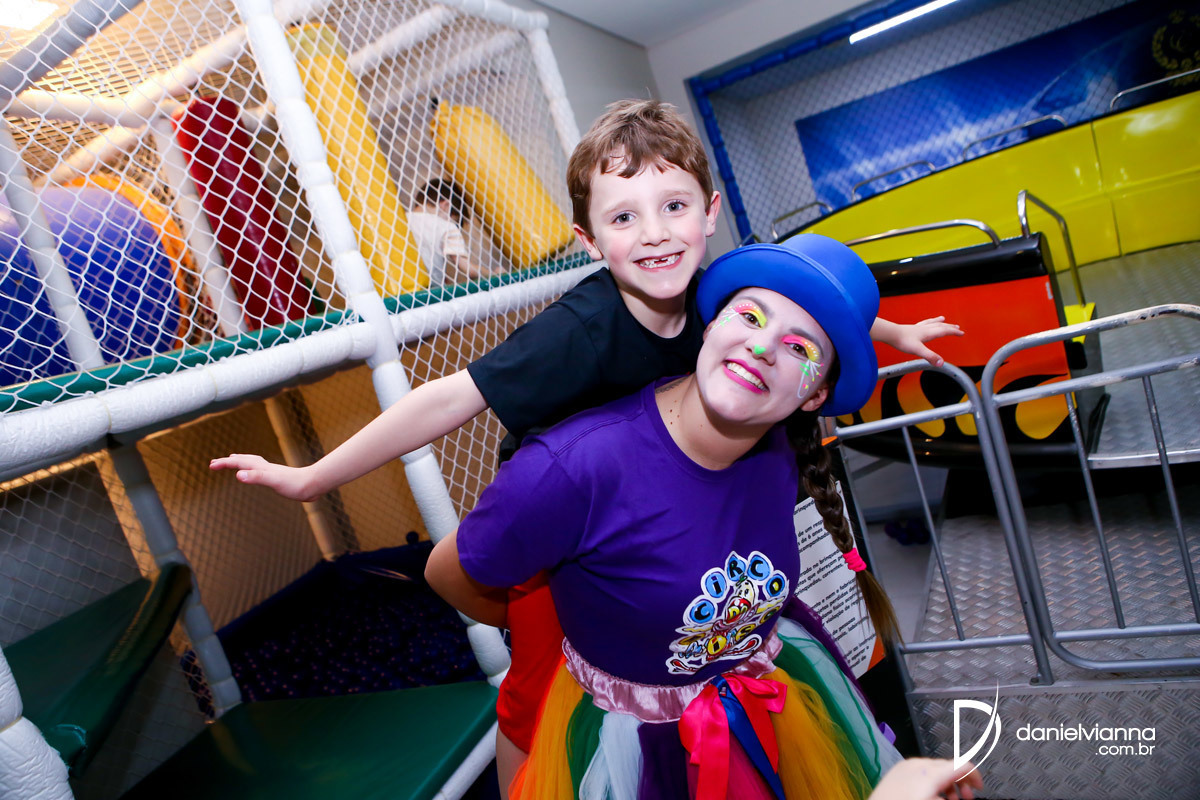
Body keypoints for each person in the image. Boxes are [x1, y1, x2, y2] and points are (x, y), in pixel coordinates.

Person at [211, 100, 961, 788]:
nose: (656, 233)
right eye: (625, 217)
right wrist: (314, 477)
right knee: (538, 693)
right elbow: (451, 397)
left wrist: (892, 331)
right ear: (589, 240)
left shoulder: (722, 302)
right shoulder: (582, 330)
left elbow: (812, 310)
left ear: (710, 214)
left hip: (675, 509)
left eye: (673, 207)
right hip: (566, 528)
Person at [426, 234, 912, 798]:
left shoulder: (778, 449)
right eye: (750, 316)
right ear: (711, 325)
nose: (761, 347)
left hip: (766, 706)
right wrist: (593, 622)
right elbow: (450, 574)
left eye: (800, 347)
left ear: (815, 395)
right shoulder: (571, 468)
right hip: (636, 746)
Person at [407, 178, 486, 285]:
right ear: (445, 206)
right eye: (454, 221)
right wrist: (494, 273)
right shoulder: (446, 226)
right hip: (429, 289)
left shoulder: (401, 219)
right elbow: (469, 269)